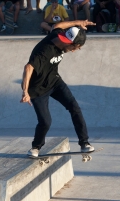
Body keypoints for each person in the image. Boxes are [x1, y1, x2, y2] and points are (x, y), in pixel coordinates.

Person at [21, 20, 96, 157]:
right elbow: (28, 67)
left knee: (74, 107)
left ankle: (84, 143)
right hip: (37, 89)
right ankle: (36, 147)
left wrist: (79, 22)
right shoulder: (44, 51)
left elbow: (56, 25)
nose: (75, 51)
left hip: (55, 82)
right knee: (45, 122)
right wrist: (25, 91)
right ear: (69, 43)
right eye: (76, 47)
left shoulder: (58, 34)